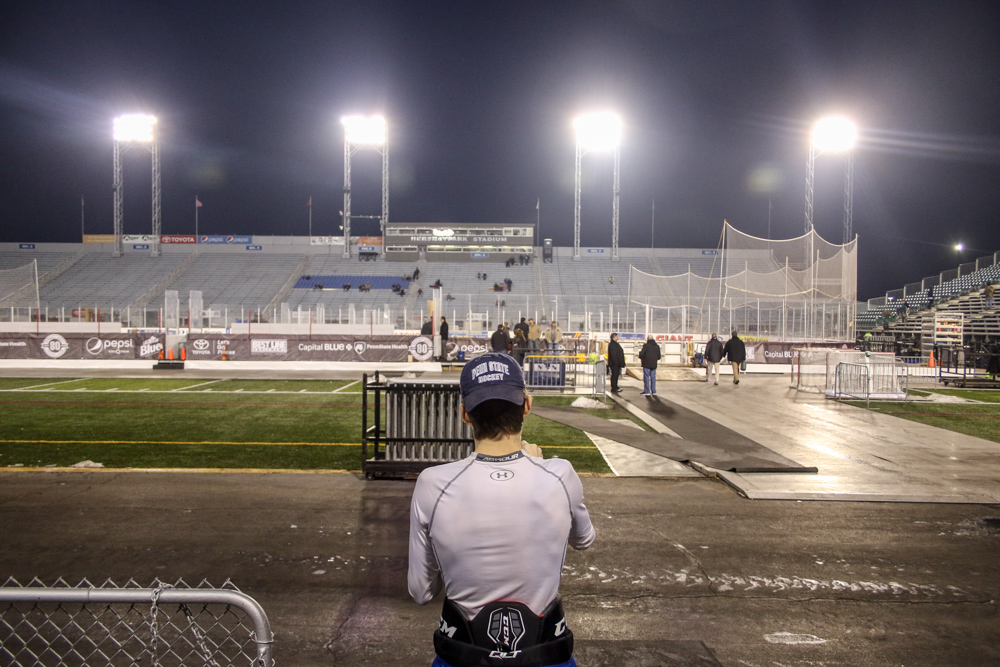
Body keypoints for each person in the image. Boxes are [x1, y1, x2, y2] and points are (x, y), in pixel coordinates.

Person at [408, 353, 596, 667]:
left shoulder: (432, 484)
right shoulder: (560, 475)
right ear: (527, 405)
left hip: (462, 655)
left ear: (465, 414)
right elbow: (585, 539)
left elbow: (420, 591)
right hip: (546, 654)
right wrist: (535, 465)